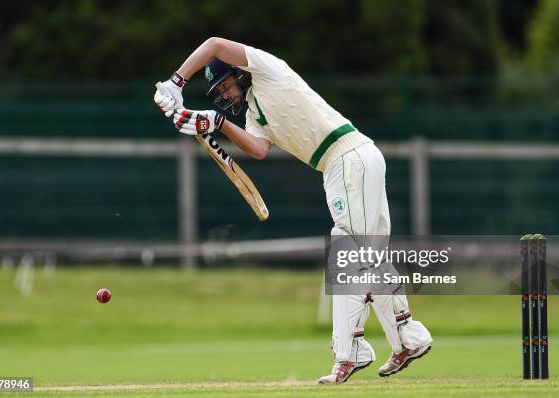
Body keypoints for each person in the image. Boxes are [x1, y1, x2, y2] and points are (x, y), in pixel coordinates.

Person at [153, 37, 433, 384]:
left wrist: (176, 82)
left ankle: (352, 351)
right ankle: (408, 338)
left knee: (347, 252)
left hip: (349, 158)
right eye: (219, 93)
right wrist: (216, 123)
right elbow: (258, 149)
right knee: (371, 255)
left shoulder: (268, 70)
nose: (224, 95)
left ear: (240, 75)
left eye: (225, 85)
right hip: (347, 161)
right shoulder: (254, 112)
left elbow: (213, 44)